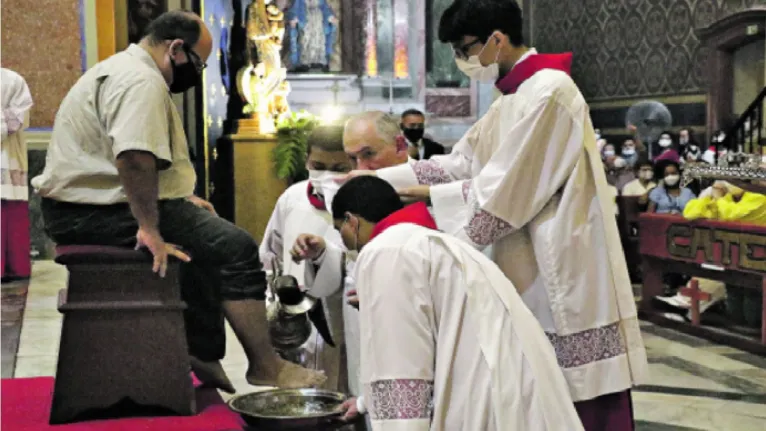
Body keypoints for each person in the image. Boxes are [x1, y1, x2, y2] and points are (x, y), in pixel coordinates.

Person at [339, 1, 648, 429]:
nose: (461, 61)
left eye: (465, 49)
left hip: (559, 265)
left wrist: (430, 244)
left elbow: (505, 193)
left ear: (498, 40)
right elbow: (460, 162)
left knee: (573, 396)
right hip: (523, 260)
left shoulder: (551, 92)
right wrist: (374, 178)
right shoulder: (510, 99)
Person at [31, 10, 325, 392]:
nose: (198, 73)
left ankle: (202, 351)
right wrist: (150, 229)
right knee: (235, 246)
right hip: (90, 213)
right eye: (199, 63)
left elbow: (116, 157)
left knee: (204, 239)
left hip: (86, 207)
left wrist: (179, 199)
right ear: (175, 48)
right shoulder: (140, 80)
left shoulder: (123, 69)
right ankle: (266, 365)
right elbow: (134, 158)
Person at [332, 176, 583, 430]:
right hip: (520, 396)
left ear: (351, 221)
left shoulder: (385, 250)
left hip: (484, 402)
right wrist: (365, 403)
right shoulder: (440, 243)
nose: (341, 241)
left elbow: (401, 370)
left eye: (338, 230)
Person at [290, 111, 415, 427]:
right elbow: (346, 261)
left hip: (414, 315)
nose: (361, 169)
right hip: (362, 316)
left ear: (400, 145)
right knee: (367, 394)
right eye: (352, 159)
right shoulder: (348, 190)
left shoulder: (429, 188)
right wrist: (320, 254)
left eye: (369, 155)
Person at [260, 125, 352, 391]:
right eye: (318, 165)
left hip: (346, 320)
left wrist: (326, 255)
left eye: (338, 169)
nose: (326, 176)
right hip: (300, 324)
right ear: (306, 161)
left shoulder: (363, 201)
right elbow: (270, 257)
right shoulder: (292, 198)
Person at [1, 68, 34, 281]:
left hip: (7, 155)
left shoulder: (12, 80)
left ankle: (15, 266)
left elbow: (19, 119)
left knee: (10, 214)